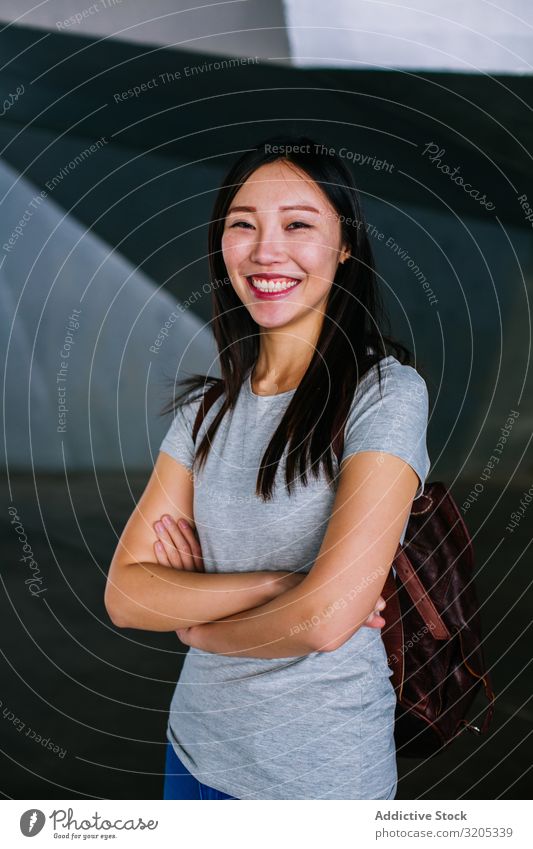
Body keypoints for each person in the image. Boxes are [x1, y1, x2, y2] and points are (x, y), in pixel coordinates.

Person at [104, 135, 431, 800]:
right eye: (243, 225)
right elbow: (126, 594)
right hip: (193, 754)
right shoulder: (204, 410)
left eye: (298, 225)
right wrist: (281, 583)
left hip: (314, 780)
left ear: (344, 246)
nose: (265, 250)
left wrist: (197, 624)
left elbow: (324, 621)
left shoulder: (385, 395)